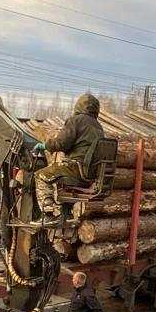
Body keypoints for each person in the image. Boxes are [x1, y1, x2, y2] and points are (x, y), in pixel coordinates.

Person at [32, 93, 105, 224]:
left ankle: (48, 214)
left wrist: (44, 145)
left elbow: (61, 143)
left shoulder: (76, 120)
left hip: (76, 169)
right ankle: (67, 214)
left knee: (41, 175)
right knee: (62, 176)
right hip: (91, 175)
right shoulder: (98, 127)